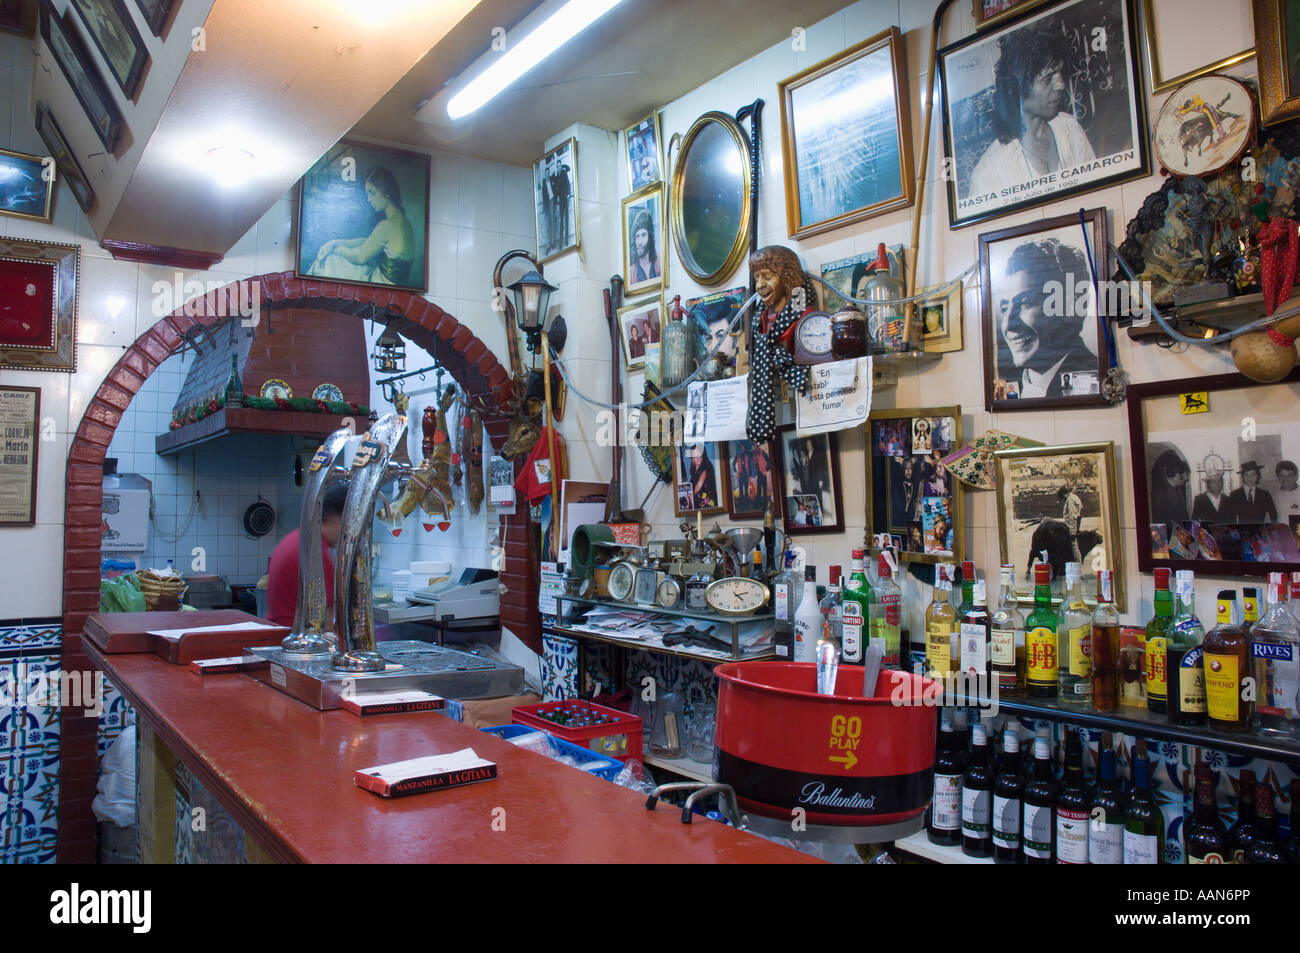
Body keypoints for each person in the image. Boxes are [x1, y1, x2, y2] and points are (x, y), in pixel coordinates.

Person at [969, 24, 1097, 198]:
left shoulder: (1070, 129)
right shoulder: (988, 172)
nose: (1060, 85)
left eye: (1060, 73)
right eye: (1047, 78)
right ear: (1017, 89)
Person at [995, 238, 1098, 399]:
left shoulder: (1094, 377)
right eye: (1004, 308)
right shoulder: (1003, 389)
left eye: (1026, 302)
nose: (1009, 325)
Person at [309, 167, 415, 287]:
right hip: (388, 281)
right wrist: (335, 242)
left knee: (331, 260)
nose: (369, 200)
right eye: (367, 194)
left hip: (382, 284)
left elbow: (360, 257)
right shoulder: (402, 221)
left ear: (386, 192)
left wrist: (336, 249)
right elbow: (369, 242)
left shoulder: (388, 225)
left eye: (372, 193)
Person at [266, 481, 349, 628]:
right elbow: (327, 620)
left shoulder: (297, 538)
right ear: (337, 518)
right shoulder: (316, 553)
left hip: (279, 632)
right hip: (296, 637)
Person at [1150, 451, 1191, 526]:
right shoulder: (1158, 493)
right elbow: (1158, 521)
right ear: (1177, 475)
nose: (1186, 478)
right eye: (1185, 474)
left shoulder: (1178, 490)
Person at [630, 209, 660, 282]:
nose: (639, 242)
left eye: (643, 235)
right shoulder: (631, 272)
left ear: (650, 237)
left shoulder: (660, 263)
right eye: (637, 236)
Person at [686, 444, 718, 510]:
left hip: (708, 501)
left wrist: (691, 495)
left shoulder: (707, 465)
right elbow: (692, 482)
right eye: (695, 456)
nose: (697, 458)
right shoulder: (693, 468)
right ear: (692, 458)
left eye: (699, 454)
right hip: (699, 499)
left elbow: (700, 484)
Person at [1059, 484, 1083, 562]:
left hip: (1071, 526)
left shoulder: (1070, 500)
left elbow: (1072, 517)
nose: (1063, 499)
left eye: (1063, 497)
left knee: (1074, 547)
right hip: (1075, 524)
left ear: (1064, 494)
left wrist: (1072, 532)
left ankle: (1077, 567)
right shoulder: (1075, 497)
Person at [1273, 460, 1300, 525]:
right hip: (1282, 533)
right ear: (1278, 478)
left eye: (1289, 475)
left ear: (1296, 477)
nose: (1285, 479)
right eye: (1281, 476)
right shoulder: (1274, 497)